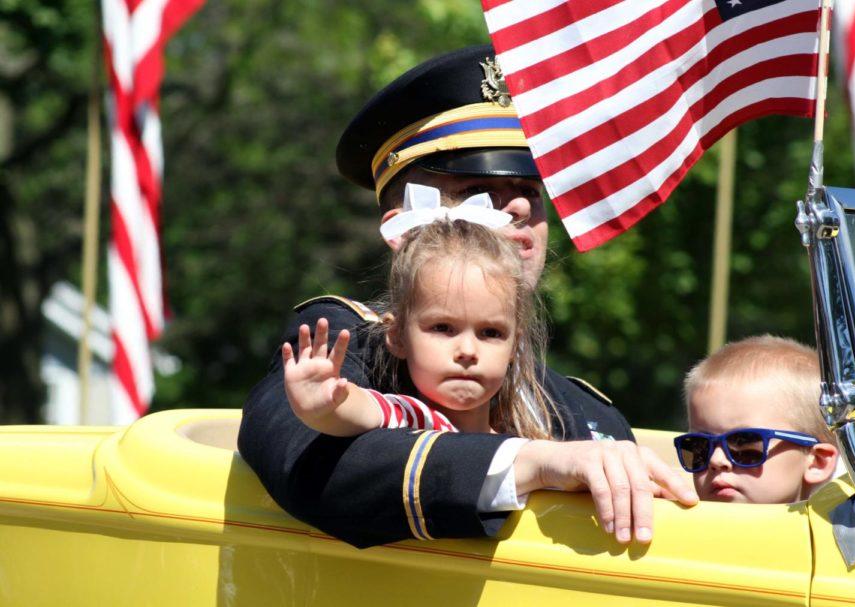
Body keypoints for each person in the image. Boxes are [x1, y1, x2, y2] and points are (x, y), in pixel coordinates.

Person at [239, 44, 697, 549]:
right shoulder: (344, 343)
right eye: (484, 188)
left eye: (531, 189)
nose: (521, 205)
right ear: (404, 225)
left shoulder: (589, 411)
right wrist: (531, 462)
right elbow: (304, 464)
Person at [284, 214, 556, 441]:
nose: (468, 350)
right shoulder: (413, 418)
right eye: (443, 328)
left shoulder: (526, 443)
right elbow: (362, 408)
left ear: (514, 345)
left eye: (491, 333)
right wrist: (321, 404)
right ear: (398, 336)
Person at [675, 335, 839, 503]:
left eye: (743, 444)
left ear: (817, 462)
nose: (715, 460)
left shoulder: (846, 527)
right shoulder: (664, 521)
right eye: (699, 446)